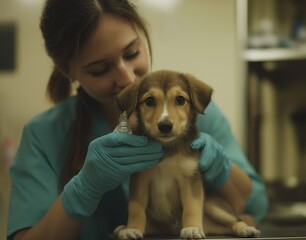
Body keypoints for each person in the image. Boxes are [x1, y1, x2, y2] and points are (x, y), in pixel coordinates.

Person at [7, 0, 269, 239]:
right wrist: (82, 192)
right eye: (101, 69)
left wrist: (221, 168)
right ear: (67, 70)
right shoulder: (43, 136)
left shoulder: (192, 112)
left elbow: (253, 205)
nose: (128, 78)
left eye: (132, 53)